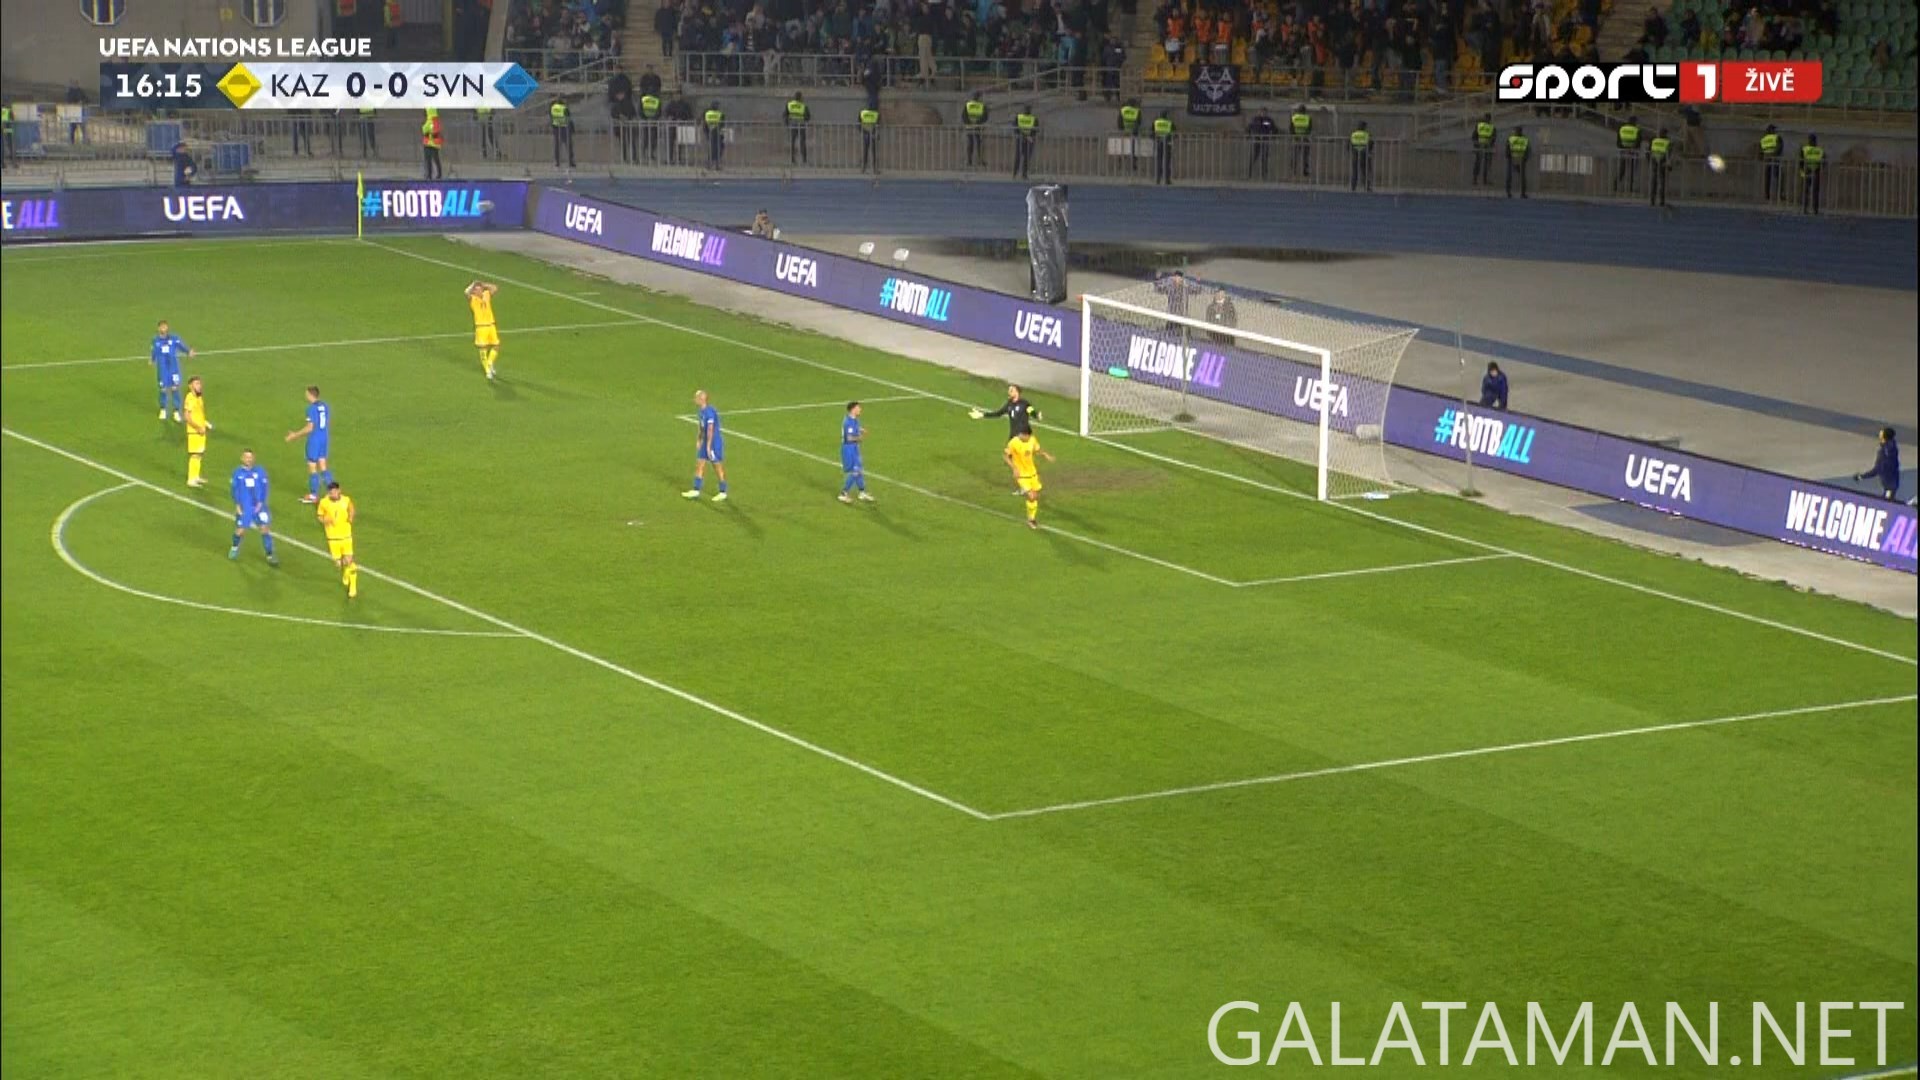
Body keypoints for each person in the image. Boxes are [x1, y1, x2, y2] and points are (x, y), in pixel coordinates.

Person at [228, 449, 279, 566]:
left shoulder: (260, 471)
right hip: (245, 507)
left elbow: (265, 488)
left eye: (250, 457)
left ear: (253, 458)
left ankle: (270, 555)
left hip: (259, 507)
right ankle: (234, 547)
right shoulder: (237, 473)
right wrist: (237, 505)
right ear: (242, 458)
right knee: (240, 531)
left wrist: (261, 503)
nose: (248, 459)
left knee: (264, 529)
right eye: (246, 457)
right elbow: (234, 490)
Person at [284, 386, 334, 503]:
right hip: (324, 437)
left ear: (311, 395)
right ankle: (333, 493)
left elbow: (310, 428)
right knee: (323, 466)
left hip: (315, 439)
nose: (305, 396)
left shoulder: (311, 408)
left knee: (312, 466)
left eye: (306, 394)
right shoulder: (325, 406)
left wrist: (295, 435)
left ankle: (313, 495)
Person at [1005, 429, 1055, 529]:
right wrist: (1014, 468)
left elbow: (1037, 450)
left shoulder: (1032, 440)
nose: (1027, 438)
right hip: (1021, 475)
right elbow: (1006, 457)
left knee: (1035, 496)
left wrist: (1046, 455)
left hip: (1032, 474)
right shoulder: (1013, 442)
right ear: (1022, 434)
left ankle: (1031, 516)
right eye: (1026, 436)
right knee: (1031, 496)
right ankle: (1031, 520)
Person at [316, 481, 359, 599]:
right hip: (333, 538)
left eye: (334, 491)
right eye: (331, 492)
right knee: (339, 564)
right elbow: (319, 516)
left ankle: (353, 587)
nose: (333, 494)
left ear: (339, 490)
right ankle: (346, 571)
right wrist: (325, 520)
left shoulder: (346, 500)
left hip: (346, 536)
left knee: (350, 561)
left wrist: (351, 516)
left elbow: (351, 508)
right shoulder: (324, 502)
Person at [685, 390, 728, 501]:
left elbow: (710, 429)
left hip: (714, 443)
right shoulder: (701, 411)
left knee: (717, 466)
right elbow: (701, 427)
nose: (694, 399)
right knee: (700, 464)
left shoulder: (710, 412)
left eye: (696, 398)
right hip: (706, 442)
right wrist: (699, 439)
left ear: (701, 399)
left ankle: (723, 491)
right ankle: (696, 490)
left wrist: (708, 446)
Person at [151, 319, 193, 420]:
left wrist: (188, 351)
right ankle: (163, 409)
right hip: (162, 369)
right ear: (158, 328)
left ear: (167, 327)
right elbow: (154, 351)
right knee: (163, 389)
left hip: (173, 368)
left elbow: (181, 346)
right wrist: (152, 360)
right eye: (162, 327)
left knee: (175, 388)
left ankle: (176, 411)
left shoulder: (174, 338)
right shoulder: (155, 340)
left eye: (165, 326)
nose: (163, 328)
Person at [838, 401, 875, 504]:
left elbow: (855, 428)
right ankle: (843, 493)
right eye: (858, 408)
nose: (860, 409)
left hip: (854, 448)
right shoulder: (848, 422)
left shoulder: (854, 419)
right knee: (855, 471)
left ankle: (862, 493)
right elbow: (849, 438)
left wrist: (860, 429)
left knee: (859, 470)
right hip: (848, 449)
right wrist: (859, 438)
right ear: (853, 409)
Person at [1855, 427, 1902, 501]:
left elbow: (1877, 470)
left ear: (1884, 437)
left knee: (1887, 502)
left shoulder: (1884, 452)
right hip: (1891, 483)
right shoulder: (1891, 447)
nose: (1879, 434)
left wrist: (1861, 477)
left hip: (1889, 485)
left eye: (1881, 433)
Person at [467, 280, 501, 380]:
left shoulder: (486, 295)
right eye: (476, 290)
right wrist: (473, 284)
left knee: (496, 346)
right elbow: (466, 292)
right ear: (474, 292)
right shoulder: (473, 299)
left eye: (480, 289)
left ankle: (490, 363)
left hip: (491, 325)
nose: (478, 291)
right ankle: (487, 371)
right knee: (483, 349)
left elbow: (495, 288)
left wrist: (484, 284)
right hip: (481, 327)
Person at [184, 375, 211, 487]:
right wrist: (197, 427)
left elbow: (199, 414)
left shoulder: (199, 397)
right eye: (196, 384)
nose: (199, 386)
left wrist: (205, 423)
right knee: (195, 455)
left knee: (199, 454)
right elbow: (187, 416)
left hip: (201, 430)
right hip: (194, 431)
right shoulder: (190, 398)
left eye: (200, 383)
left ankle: (196, 476)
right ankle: (191, 479)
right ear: (190, 386)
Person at [1247, 110, 1278, 180]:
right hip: (1257, 140)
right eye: (1262, 112)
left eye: (1264, 112)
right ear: (1259, 112)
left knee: (1264, 157)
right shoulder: (1255, 119)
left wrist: (1273, 136)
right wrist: (1248, 135)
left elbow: (1274, 128)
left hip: (1265, 140)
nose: (1263, 114)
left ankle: (1264, 174)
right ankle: (1249, 172)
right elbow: (1249, 127)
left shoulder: (1268, 120)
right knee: (1254, 156)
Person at [1615, 115, 1641, 193]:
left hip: (1623, 151)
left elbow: (1618, 143)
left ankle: (1615, 184)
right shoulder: (1637, 130)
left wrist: (1624, 148)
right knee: (1632, 171)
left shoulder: (1622, 129)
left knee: (1622, 169)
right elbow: (1638, 143)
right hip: (1633, 152)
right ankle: (1631, 188)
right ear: (1634, 122)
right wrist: (1632, 148)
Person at [1012, 103, 1038, 179]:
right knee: (1021, 157)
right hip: (1025, 139)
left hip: (1025, 139)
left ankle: (1020, 173)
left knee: (1023, 157)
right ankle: (1018, 173)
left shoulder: (1020, 117)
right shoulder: (1031, 118)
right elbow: (1015, 128)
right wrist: (1027, 136)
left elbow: (1035, 129)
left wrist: (1024, 135)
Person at [1799, 133, 1823, 215]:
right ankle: (1813, 209)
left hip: (1809, 170)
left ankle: (1807, 209)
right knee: (1813, 191)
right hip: (1814, 170)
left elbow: (1801, 162)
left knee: (1807, 191)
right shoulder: (1819, 150)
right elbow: (1823, 161)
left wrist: (1801, 172)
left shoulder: (1804, 149)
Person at [963, 91, 988, 167]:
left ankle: (971, 160)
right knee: (978, 144)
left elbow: (964, 116)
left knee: (972, 144)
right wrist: (977, 122)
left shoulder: (969, 105)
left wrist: (969, 122)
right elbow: (985, 116)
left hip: (971, 126)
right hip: (977, 127)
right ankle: (977, 160)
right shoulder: (981, 105)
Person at [1648, 127, 1671, 207]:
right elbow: (1669, 154)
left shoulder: (1654, 141)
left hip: (1655, 162)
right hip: (1662, 162)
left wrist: (1650, 161)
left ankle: (1652, 200)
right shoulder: (1667, 142)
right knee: (1662, 182)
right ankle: (1661, 201)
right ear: (1665, 134)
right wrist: (1669, 165)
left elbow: (1650, 151)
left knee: (1654, 181)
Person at [1758, 123, 1782, 201]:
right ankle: (1778, 195)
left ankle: (1767, 195)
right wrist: (1773, 155)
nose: (1775, 131)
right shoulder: (1776, 137)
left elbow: (1760, 152)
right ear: (1771, 130)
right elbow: (1779, 149)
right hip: (1774, 159)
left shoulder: (1763, 139)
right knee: (1778, 177)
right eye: (1774, 129)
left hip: (1766, 160)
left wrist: (1763, 157)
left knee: (1767, 178)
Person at [1118, 97, 1142, 173]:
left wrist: (1122, 129)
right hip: (1134, 132)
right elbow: (1139, 122)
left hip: (1125, 132)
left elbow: (1119, 122)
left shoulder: (1123, 110)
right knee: (1133, 149)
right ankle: (1134, 164)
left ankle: (1120, 164)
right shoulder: (1137, 111)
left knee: (1123, 148)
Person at [785, 90, 810, 164]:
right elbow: (808, 117)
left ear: (794, 97)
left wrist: (787, 123)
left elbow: (785, 115)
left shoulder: (789, 104)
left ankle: (792, 159)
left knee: (792, 142)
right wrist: (804, 119)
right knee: (802, 142)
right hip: (801, 125)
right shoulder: (803, 106)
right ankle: (804, 159)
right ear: (801, 97)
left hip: (793, 125)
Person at [1471, 112, 1496, 186]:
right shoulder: (1487, 126)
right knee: (1480, 163)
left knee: (1484, 164)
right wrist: (1476, 145)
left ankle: (1481, 180)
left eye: (1486, 118)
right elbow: (1474, 136)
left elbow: (1493, 138)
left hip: (1485, 147)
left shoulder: (1482, 126)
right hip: (1482, 147)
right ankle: (1476, 179)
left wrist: (1476, 144)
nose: (1486, 119)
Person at [1289, 103, 1313, 178]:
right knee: (1305, 156)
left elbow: (1291, 128)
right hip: (1305, 138)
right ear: (1305, 111)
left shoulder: (1294, 117)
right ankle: (1305, 170)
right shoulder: (1308, 118)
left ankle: (1293, 170)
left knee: (1295, 154)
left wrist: (1295, 136)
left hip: (1296, 139)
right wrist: (1305, 135)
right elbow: (1310, 129)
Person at [1506, 125, 1530, 198]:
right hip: (1521, 159)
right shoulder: (1525, 139)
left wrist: (1508, 157)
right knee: (1522, 177)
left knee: (1510, 176)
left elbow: (1507, 149)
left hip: (1513, 159)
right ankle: (1522, 193)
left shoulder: (1511, 139)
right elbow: (1528, 150)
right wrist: (1525, 158)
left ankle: (1509, 192)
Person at [550, 98, 575, 168]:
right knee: (569, 146)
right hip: (565, 128)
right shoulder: (564, 108)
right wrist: (572, 129)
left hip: (557, 128)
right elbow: (569, 118)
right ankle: (570, 162)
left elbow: (551, 117)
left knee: (557, 146)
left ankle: (557, 162)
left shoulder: (553, 108)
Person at [421, 107, 444, 180]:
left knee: (430, 160)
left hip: (430, 143)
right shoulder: (436, 121)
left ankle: (430, 175)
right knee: (434, 159)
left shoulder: (430, 121)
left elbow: (425, 130)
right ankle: (437, 175)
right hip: (433, 143)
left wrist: (425, 128)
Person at [1152, 110, 1175, 186]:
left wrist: (1156, 138)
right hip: (1167, 144)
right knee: (1167, 162)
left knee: (1158, 161)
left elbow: (1152, 133)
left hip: (1158, 143)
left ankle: (1158, 179)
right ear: (1166, 116)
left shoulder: (1156, 122)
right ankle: (1167, 179)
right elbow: (1174, 132)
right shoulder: (1169, 123)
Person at [1349, 121, 1373, 192]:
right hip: (1363, 153)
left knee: (1354, 170)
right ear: (1364, 127)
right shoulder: (1366, 134)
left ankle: (1353, 186)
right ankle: (1366, 186)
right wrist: (1369, 150)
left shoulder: (1353, 134)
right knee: (1364, 171)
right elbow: (1371, 143)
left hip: (1355, 153)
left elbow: (1349, 144)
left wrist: (1351, 150)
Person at [704, 101, 726, 170]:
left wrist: (706, 133)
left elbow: (705, 124)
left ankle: (709, 164)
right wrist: (722, 135)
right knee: (719, 149)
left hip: (710, 132)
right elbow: (722, 125)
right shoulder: (720, 114)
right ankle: (717, 165)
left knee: (712, 149)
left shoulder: (707, 113)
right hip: (718, 133)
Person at [859, 106, 880, 174]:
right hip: (872, 133)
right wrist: (877, 134)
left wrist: (861, 131)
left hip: (866, 133)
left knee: (866, 150)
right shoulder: (876, 113)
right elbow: (877, 125)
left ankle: (864, 168)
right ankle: (874, 168)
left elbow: (859, 123)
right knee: (873, 151)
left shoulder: (862, 113)